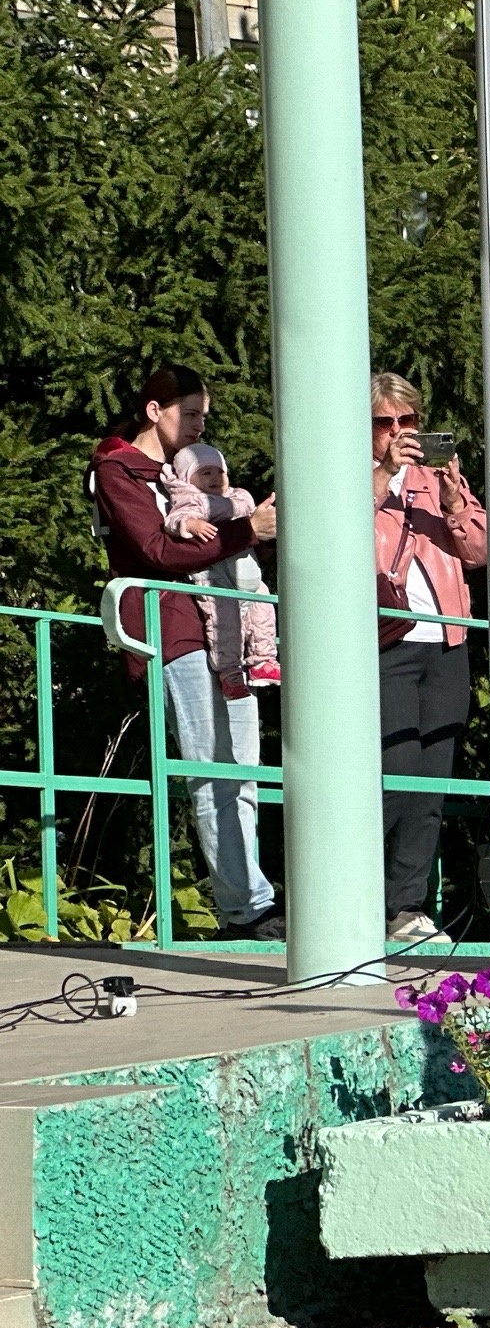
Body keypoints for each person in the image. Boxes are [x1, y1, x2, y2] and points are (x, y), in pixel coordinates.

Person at [89, 366, 283, 937]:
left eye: (205, 415)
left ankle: (252, 901)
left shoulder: (190, 470)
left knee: (242, 770)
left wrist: (247, 530)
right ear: (155, 411)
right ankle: (245, 908)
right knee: (211, 769)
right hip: (172, 629)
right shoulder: (117, 467)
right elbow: (156, 552)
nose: (200, 425)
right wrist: (248, 530)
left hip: (232, 633)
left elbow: (220, 543)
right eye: (190, 413)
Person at [372, 373, 489, 947]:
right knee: (395, 772)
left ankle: (406, 904)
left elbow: (481, 551)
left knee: (431, 781)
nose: (399, 434)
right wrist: (384, 475)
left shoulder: (433, 479)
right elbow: (337, 532)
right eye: (384, 424)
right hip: (385, 639)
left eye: (408, 423)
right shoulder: (355, 476)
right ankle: (362, 895)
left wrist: (452, 499)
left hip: (446, 639)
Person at [159, 444, 280, 691]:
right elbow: (173, 520)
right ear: (187, 478)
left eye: (220, 472)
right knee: (223, 621)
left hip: (248, 574)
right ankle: (229, 670)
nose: (215, 478)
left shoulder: (238, 497)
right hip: (215, 577)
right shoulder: (193, 499)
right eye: (206, 473)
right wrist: (191, 524)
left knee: (263, 610)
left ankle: (263, 659)